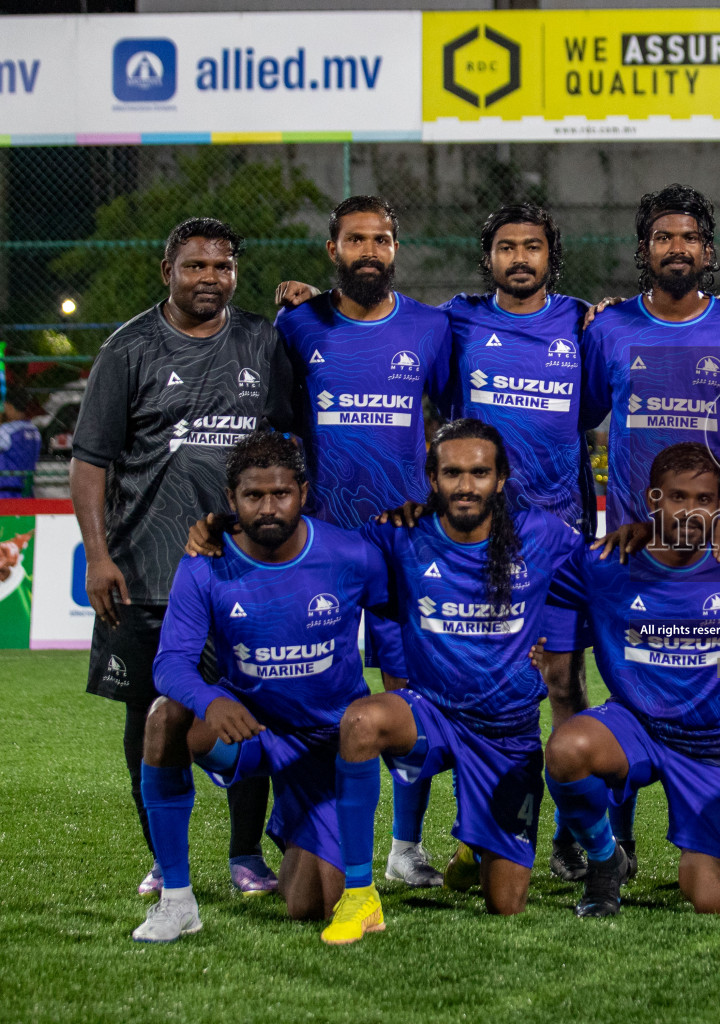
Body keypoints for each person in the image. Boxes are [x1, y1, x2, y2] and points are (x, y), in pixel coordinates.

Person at [71, 217, 293, 897]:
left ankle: (245, 855)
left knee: (253, 709)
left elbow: (285, 446)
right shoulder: (128, 348)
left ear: (235, 272)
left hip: (240, 575)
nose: (209, 279)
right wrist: (98, 557)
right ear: (166, 268)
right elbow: (90, 463)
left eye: (221, 267)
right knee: (149, 716)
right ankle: (162, 858)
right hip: (144, 572)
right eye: (195, 266)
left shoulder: (261, 340)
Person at [322, 419, 583, 942]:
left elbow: (603, 578)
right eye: (452, 473)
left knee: (506, 904)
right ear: (432, 478)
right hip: (432, 715)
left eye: (479, 473)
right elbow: (320, 553)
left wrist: (551, 639)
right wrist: (224, 529)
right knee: (361, 721)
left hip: (507, 735)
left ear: (501, 479)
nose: (466, 485)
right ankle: (359, 895)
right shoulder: (400, 533)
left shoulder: (543, 535)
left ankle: (473, 844)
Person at [133, 433, 388, 942]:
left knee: (309, 906)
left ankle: (298, 823)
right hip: (251, 733)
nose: (268, 507)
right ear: (231, 501)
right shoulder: (203, 563)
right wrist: (212, 699)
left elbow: (400, 621)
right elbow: (170, 664)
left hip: (327, 743)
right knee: (165, 716)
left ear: (303, 492)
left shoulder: (351, 555)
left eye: (281, 494)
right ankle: (177, 899)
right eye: (253, 496)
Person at [275, 195, 453, 889]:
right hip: (321, 543)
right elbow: (282, 424)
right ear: (333, 251)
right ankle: (312, 840)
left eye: (381, 239)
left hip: (404, 544)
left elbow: (454, 420)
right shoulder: (299, 325)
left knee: (407, 691)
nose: (370, 251)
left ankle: (405, 849)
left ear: (395, 249)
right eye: (356, 240)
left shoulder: (431, 328)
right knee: (310, 691)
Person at [543, 443, 720, 916]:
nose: (690, 511)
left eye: (704, 499)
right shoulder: (607, 563)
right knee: (566, 751)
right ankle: (606, 861)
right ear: (653, 499)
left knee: (713, 901)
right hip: (635, 725)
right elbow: (548, 587)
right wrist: (550, 648)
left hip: (716, 741)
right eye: (678, 498)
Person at [439, 203, 602, 883]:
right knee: (486, 689)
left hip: (560, 536)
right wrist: (315, 297)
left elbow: (595, 404)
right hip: (482, 536)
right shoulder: (458, 320)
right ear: (489, 258)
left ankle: (577, 835)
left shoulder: (582, 322)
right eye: (506, 247)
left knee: (564, 682)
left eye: (532, 247)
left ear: (549, 256)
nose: (519, 259)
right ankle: (480, 834)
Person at [579, 183, 720, 532]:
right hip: (633, 538)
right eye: (663, 238)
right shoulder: (608, 329)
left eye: (689, 238)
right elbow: (583, 417)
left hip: (718, 539)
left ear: (707, 252)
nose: (677, 249)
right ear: (643, 250)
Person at [0, 399, 41, 497]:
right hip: (26, 487)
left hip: (6, 488)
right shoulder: (34, 430)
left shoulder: (6, 431)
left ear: (11, 408)